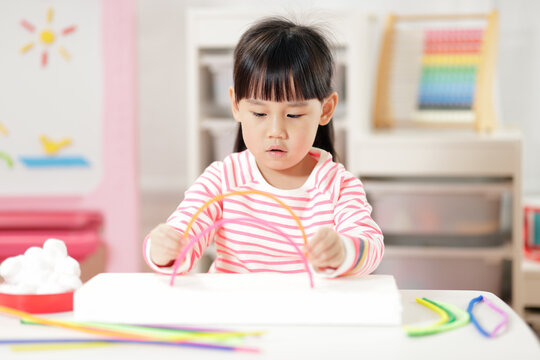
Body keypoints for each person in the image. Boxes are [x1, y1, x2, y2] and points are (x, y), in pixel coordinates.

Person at [144, 17, 384, 277]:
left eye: (293, 115)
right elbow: (182, 237)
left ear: (325, 110)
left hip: (306, 314)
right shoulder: (223, 179)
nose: (276, 132)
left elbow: (369, 245)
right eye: (259, 113)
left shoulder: (337, 186)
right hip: (235, 314)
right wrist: (164, 248)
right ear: (236, 106)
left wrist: (343, 250)